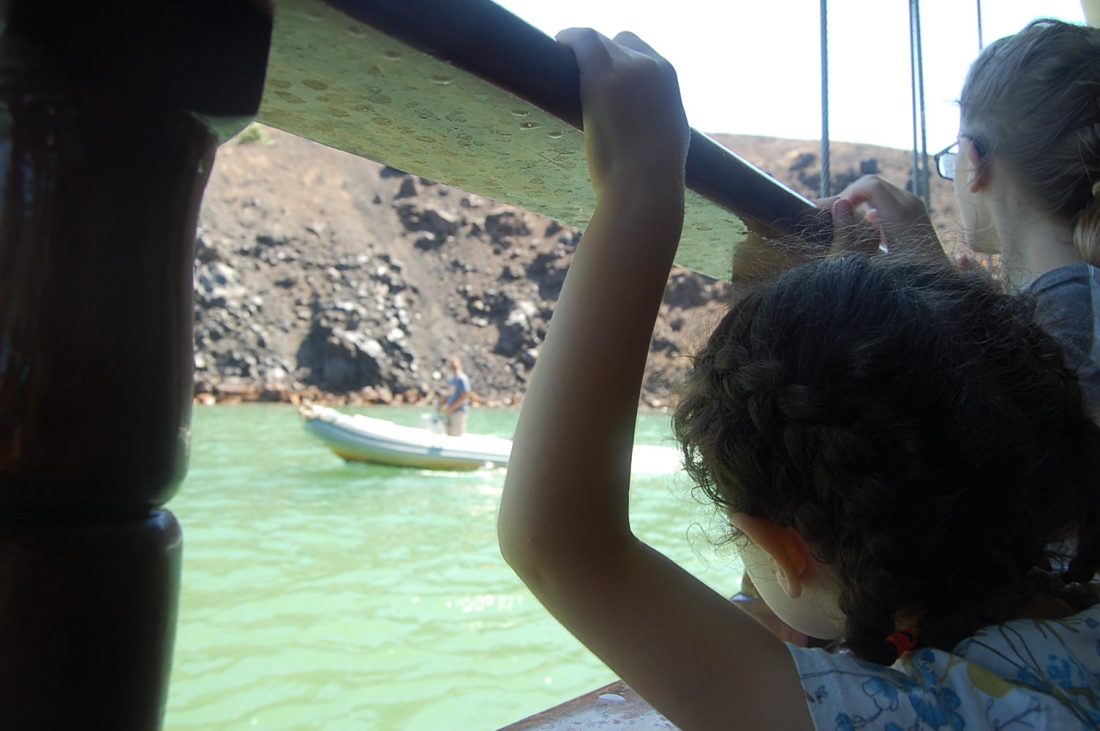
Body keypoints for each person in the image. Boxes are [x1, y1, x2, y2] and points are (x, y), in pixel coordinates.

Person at [497, 27, 1100, 730]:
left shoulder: (917, 713)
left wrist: (641, 190)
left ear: (787, 552)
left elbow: (561, 542)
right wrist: (647, 182)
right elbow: (563, 542)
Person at [821, 19, 1100, 414]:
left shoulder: (1068, 319)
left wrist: (926, 285)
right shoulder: (1073, 305)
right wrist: (970, 308)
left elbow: (1014, 444)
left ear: (973, 160)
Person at [441, 357, 470, 436]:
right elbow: (450, 394)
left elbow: (465, 396)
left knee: (456, 435)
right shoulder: (452, 380)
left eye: (456, 367)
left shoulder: (462, 379)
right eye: (453, 367)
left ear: (460, 366)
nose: (454, 369)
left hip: (458, 412)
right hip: (450, 412)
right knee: (449, 434)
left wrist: (452, 408)